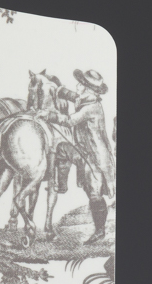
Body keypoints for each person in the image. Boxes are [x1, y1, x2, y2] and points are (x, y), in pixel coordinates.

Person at [49, 69, 116, 244]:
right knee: (62, 149)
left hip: (95, 157)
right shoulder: (87, 99)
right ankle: (61, 185)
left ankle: (100, 231)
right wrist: (59, 89)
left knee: (94, 194)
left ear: (88, 89)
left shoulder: (91, 108)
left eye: (81, 84)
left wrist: (48, 115)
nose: (77, 85)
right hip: (85, 152)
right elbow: (74, 96)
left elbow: (69, 120)